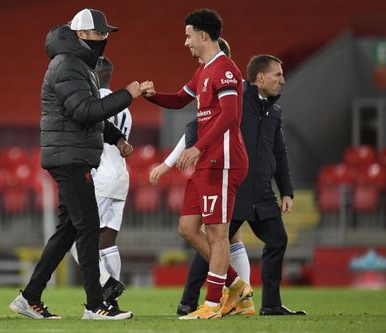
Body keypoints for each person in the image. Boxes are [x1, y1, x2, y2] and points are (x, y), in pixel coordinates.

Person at [9, 8, 140, 320]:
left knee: (68, 230)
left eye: (106, 33)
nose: (104, 38)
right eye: (99, 33)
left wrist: (116, 137)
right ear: (81, 34)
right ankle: (96, 304)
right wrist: (127, 95)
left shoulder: (75, 63)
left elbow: (85, 113)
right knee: (88, 227)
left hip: (71, 154)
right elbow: (84, 111)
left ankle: (29, 297)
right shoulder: (68, 64)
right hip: (69, 157)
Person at [164, 54, 307, 316]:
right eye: (278, 75)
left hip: (262, 193)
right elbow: (196, 125)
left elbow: (279, 152)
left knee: (277, 241)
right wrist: (172, 160)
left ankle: (271, 305)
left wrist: (286, 190)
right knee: (216, 244)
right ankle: (188, 301)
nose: (283, 81)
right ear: (260, 78)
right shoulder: (236, 101)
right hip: (236, 187)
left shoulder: (274, 112)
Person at [140, 9, 252, 320]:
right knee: (188, 228)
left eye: (188, 35)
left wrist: (198, 147)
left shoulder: (226, 70)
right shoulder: (203, 70)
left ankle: (213, 305)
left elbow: (230, 116)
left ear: (203, 36)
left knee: (217, 232)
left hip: (223, 160)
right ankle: (238, 288)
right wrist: (151, 96)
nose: (185, 41)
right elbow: (178, 99)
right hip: (206, 161)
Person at [69, 57, 132, 312]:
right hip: (120, 176)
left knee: (75, 241)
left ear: (93, 73)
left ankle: (106, 285)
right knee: (108, 243)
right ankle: (112, 299)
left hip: (100, 176)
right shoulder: (124, 105)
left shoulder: (95, 103)